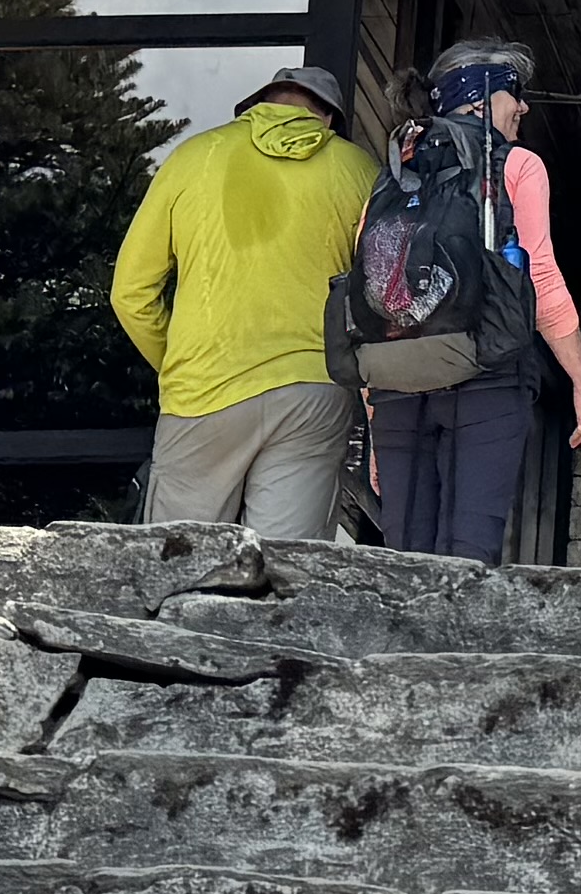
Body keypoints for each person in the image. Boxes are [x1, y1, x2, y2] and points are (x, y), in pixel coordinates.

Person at [368, 38, 581, 560]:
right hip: (488, 378)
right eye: (514, 93)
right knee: (469, 556)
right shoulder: (517, 163)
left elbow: (374, 298)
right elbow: (539, 276)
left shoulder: (393, 173)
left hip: (397, 388)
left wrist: (373, 422)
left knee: (404, 560)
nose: (522, 106)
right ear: (480, 98)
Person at [114, 62, 381, 539]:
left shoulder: (195, 157)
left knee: (183, 561)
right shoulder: (359, 170)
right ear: (328, 119)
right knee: (285, 565)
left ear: (257, 106)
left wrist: (179, 362)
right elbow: (380, 295)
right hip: (313, 390)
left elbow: (130, 292)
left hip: (204, 388)